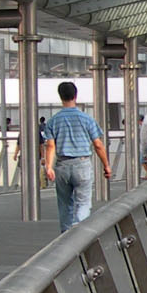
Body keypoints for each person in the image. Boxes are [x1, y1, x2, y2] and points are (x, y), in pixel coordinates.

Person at [43, 81, 112, 232]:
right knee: (83, 203)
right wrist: (106, 165)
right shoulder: (86, 119)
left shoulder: (53, 121)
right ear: (75, 96)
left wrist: (48, 166)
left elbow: (50, 146)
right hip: (82, 164)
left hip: (61, 165)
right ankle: (79, 229)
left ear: (60, 97)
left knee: (64, 204)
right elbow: (98, 144)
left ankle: (66, 234)